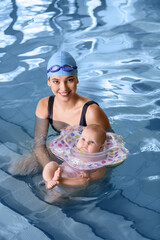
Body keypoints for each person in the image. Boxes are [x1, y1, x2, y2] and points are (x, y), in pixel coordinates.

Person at [34, 51, 111, 177]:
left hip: (87, 162)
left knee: (57, 194)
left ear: (77, 79)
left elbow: (110, 154)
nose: (63, 88)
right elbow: (38, 146)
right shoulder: (44, 106)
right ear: (49, 82)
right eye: (56, 81)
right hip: (60, 148)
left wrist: (87, 175)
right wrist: (50, 169)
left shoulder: (91, 111)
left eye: (69, 80)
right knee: (19, 168)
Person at [43, 124, 107, 189]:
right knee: (51, 164)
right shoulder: (72, 147)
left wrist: (90, 176)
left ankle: (60, 181)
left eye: (92, 142)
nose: (86, 143)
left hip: (74, 180)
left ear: (101, 147)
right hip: (61, 170)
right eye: (83, 139)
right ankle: (49, 181)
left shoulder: (98, 159)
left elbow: (101, 172)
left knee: (84, 181)